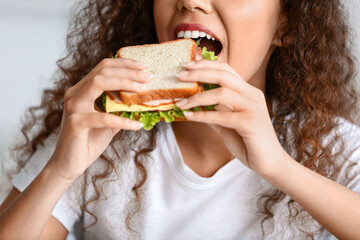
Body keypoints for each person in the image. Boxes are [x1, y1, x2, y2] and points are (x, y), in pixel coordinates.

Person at [0, 0, 360, 239]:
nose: (191, 0)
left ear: (287, 24)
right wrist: (60, 169)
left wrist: (281, 168)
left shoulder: (330, 146)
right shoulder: (102, 133)